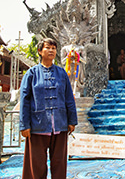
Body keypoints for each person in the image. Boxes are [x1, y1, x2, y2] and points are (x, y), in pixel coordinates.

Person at [19, 38, 78, 179]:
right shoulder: (31, 74)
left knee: (59, 163)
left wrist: (72, 121)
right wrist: (24, 125)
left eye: (53, 48)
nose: (51, 50)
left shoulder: (62, 73)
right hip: (37, 126)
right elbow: (24, 101)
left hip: (59, 124)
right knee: (37, 164)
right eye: (48, 47)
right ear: (40, 51)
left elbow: (69, 97)